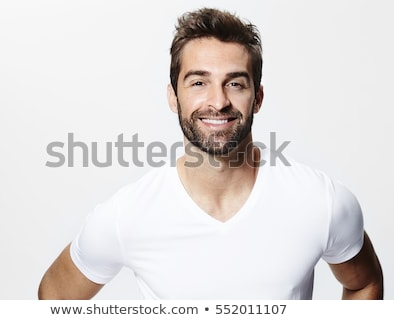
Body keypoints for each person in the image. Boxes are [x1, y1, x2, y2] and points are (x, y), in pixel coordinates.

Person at [38, 7, 383, 299]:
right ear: (174, 96)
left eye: (235, 83)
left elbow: (364, 282)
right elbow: (53, 298)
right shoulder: (125, 216)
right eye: (198, 82)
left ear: (258, 98)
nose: (218, 102)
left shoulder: (321, 202)